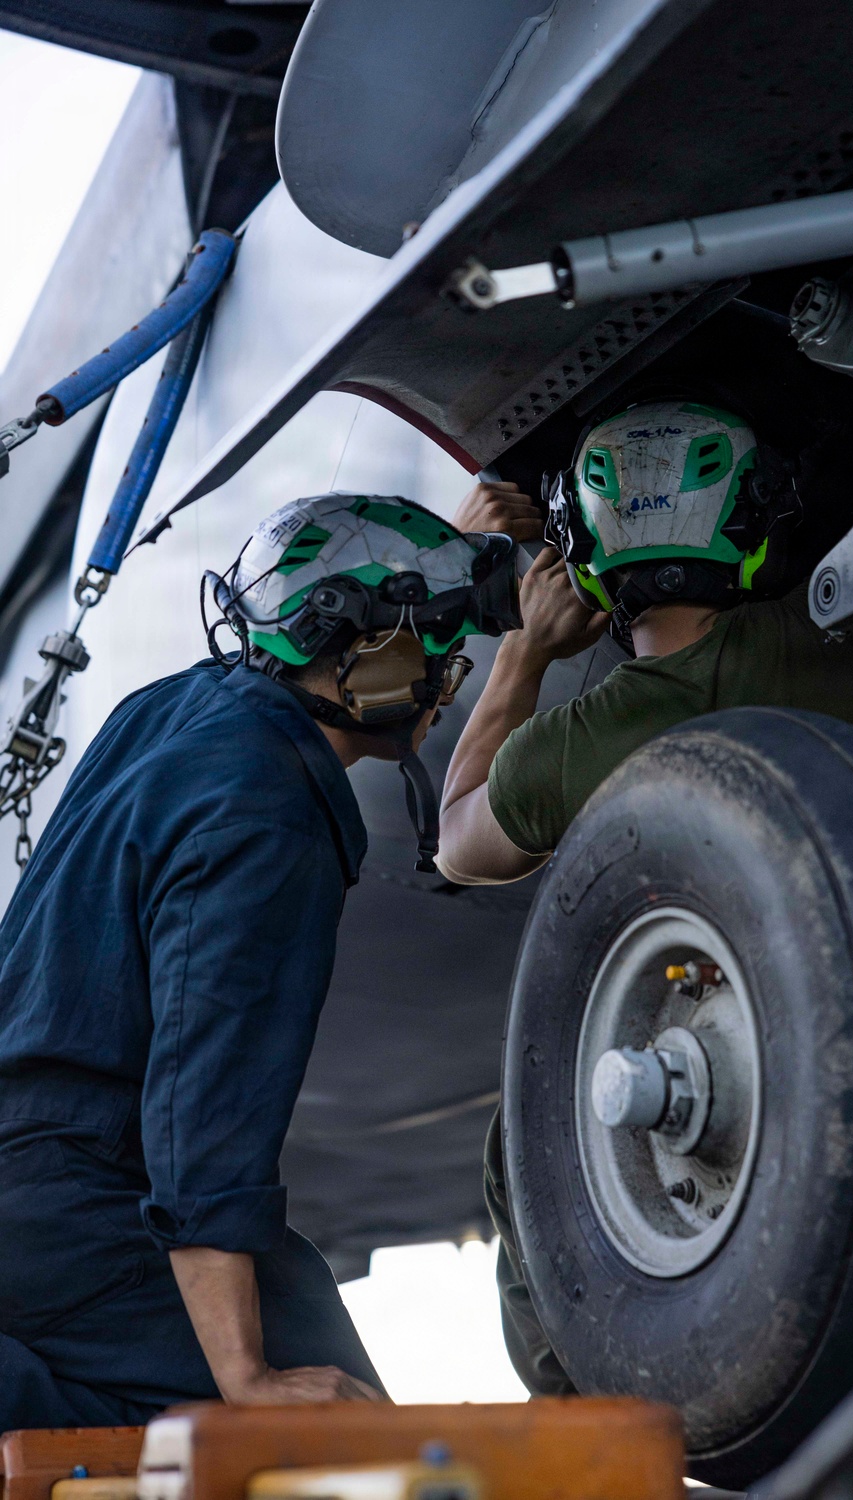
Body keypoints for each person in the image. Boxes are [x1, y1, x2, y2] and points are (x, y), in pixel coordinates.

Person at [0, 481, 536, 1430]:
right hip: (83, 1206)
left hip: (34, 1190)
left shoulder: (170, 709)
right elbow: (203, 1111)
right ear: (373, 661)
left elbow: (334, 623)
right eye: (437, 648)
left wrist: (429, 564)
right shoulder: (268, 816)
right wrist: (247, 1378)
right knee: (329, 1428)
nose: (444, 673)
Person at [435, 399, 853, 1393]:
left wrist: (524, 648)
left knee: (522, 1146)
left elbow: (460, 845)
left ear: (584, 555)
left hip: (753, 1098)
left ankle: (584, 1438)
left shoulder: (581, 742)